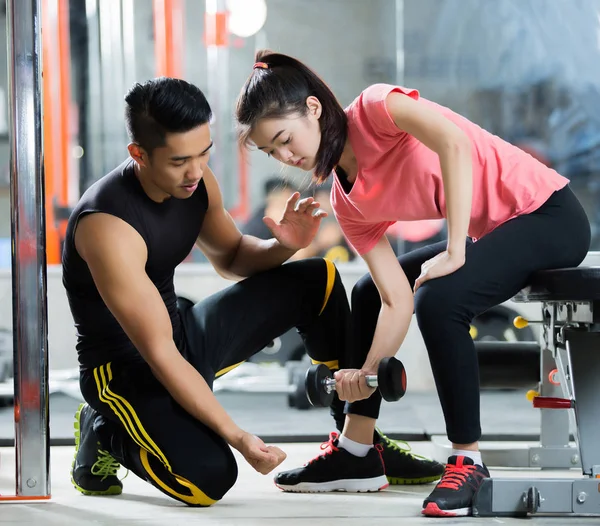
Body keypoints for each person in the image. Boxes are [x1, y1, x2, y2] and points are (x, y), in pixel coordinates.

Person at [234, 51, 591, 517]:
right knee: (366, 292)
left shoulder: (377, 107)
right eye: (271, 152)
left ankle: (468, 461)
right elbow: (392, 298)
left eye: (284, 138)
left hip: (548, 215)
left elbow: (454, 143)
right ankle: (356, 451)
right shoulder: (347, 204)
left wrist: (456, 248)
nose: (286, 156)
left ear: (314, 108)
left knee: (441, 299)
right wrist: (364, 374)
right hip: (496, 232)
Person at [63, 77, 442, 507]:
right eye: (179, 161)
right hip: (126, 370)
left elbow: (231, 257)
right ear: (139, 154)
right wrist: (238, 437)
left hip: (181, 337)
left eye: (203, 153)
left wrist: (286, 245)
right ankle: (104, 431)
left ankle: (357, 443)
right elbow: (160, 354)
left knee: (318, 278)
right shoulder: (107, 226)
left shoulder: (196, 181)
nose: (195, 171)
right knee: (208, 480)